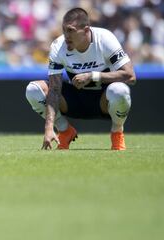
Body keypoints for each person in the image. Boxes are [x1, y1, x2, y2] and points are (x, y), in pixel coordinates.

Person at [25, 7, 136, 150]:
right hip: (74, 100)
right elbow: (54, 89)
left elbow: (130, 76)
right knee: (33, 89)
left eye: (71, 30)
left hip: (103, 101)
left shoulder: (105, 39)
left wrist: (93, 76)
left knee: (120, 90)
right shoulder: (58, 46)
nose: (66, 36)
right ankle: (64, 131)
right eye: (64, 30)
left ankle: (117, 132)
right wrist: (48, 127)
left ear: (86, 30)